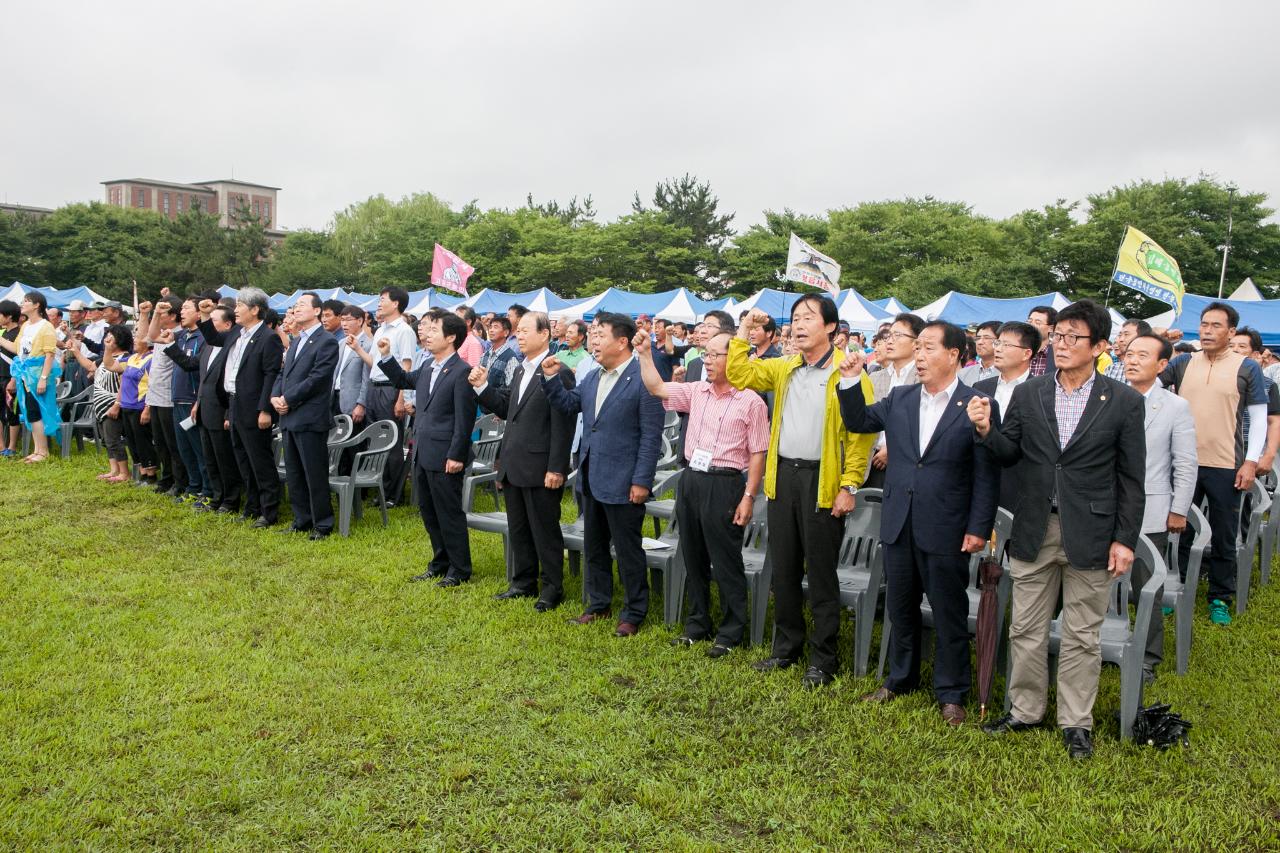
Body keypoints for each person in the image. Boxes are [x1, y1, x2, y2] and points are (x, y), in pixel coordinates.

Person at [969, 299, 1145, 760]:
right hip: (1034, 526)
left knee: (1082, 634)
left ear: (1101, 347)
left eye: (1074, 338)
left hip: (1091, 530)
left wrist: (1124, 539)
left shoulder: (1124, 401)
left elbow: (1131, 478)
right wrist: (988, 430)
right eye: (1059, 336)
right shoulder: (1031, 393)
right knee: (1024, 627)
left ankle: (1076, 722)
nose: (1063, 344)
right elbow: (1010, 453)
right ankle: (1025, 710)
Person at [837, 321, 999, 724]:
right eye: (919, 348)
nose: (920, 356)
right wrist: (851, 380)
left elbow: (986, 474)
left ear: (954, 355)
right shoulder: (902, 397)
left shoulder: (975, 403)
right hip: (898, 521)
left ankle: (951, 692)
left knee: (948, 611)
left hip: (946, 524)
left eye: (929, 348)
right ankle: (899, 677)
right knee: (900, 606)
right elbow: (858, 420)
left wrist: (978, 527)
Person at [727, 298, 874, 689]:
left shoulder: (848, 369)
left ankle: (823, 660)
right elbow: (738, 372)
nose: (800, 325)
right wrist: (745, 330)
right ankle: (785, 649)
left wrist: (849, 484)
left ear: (831, 327)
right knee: (785, 568)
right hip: (783, 477)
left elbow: (861, 437)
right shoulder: (785, 366)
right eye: (795, 319)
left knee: (822, 574)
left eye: (809, 318)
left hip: (822, 481)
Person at [636, 329, 768, 657]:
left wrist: (749, 496)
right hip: (692, 478)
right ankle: (698, 622)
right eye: (705, 354)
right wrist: (645, 354)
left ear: (735, 357)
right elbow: (656, 387)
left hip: (725, 484)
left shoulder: (750, 400)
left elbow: (758, 453)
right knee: (692, 556)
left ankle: (731, 629)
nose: (707, 361)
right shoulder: (697, 391)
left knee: (725, 560)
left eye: (714, 355)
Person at [542, 311, 664, 636]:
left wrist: (641, 481)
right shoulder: (595, 376)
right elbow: (570, 406)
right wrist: (553, 379)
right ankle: (599, 604)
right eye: (592, 334)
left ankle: (634, 612)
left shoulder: (643, 378)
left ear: (622, 341)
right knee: (594, 546)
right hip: (591, 476)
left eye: (601, 335)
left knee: (627, 550)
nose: (594, 341)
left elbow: (651, 436)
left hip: (625, 481)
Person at [1158, 302, 1267, 625]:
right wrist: (1158, 339)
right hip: (1181, 461)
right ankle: (1170, 589)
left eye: (1215, 325)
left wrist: (1250, 462)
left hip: (1225, 464)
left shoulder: (1247, 368)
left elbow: (1259, 419)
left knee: (1223, 533)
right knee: (1178, 530)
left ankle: (1219, 596)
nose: (1207, 330)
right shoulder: (1182, 362)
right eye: (1204, 324)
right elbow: (1147, 385)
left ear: (1231, 331)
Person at [471, 311, 577, 610]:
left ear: (545, 334)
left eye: (526, 330)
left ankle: (552, 587)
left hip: (541, 465)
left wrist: (556, 467)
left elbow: (563, 422)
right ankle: (523, 582)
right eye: (518, 330)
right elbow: (508, 410)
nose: (519, 334)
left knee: (544, 530)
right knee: (519, 527)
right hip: (514, 462)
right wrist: (482, 388)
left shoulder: (557, 370)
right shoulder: (521, 369)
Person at [377, 308, 475, 586]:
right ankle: (439, 562)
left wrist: (456, 454)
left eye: (434, 330)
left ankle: (459, 569)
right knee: (429, 511)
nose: (426, 334)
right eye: (426, 329)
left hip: (445, 455)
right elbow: (402, 380)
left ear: (452, 336)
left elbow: (464, 419)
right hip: (423, 450)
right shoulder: (428, 367)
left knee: (449, 512)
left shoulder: (461, 372)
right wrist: (386, 356)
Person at [1124, 332, 1196, 683]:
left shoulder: (1174, 406)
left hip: (1150, 508)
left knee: (1144, 583)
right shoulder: (1110, 395)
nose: (1132, 360)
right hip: (1103, 505)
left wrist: (1179, 508)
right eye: (1129, 353)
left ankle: (1148, 655)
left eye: (1142, 355)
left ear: (1162, 365)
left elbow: (1185, 462)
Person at [268, 293, 339, 539]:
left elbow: (317, 379)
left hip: (309, 417)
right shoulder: (296, 341)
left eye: (301, 306)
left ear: (317, 311)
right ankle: (302, 519)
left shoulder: (326, 341)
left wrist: (289, 399)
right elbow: (282, 373)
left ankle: (323, 523)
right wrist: (275, 396)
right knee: (295, 472)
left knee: (313, 472)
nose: (296, 310)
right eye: (295, 306)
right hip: (287, 416)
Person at [219, 287, 285, 528]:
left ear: (255, 309)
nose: (235, 310)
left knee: (260, 460)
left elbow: (271, 376)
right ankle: (252, 506)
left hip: (255, 406)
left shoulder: (268, 338)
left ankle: (269, 512)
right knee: (243, 460)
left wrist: (265, 409)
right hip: (235, 402)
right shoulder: (239, 334)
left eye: (240, 306)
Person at [972, 321, 1039, 512]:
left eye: (1006, 345)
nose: (998, 349)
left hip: (1016, 486)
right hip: (979, 479)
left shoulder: (1039, 392)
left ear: (1027, 353)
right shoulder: (980, 388)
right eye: (998, 343)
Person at [362, 287, 416, 507]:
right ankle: (381, 489)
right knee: (377, 441)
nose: (378, 303)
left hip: (391, 390)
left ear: (395, 304)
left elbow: (407, 366)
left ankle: (394, 494)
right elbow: (374, 363)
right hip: (375, 388)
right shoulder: (380, 330)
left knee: (392, 442)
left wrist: (401, 398)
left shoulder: (404, 331)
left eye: (382, 299)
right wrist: (357, 349)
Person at [191, 301, 243, 514]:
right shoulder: (208, 346)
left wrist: (228, 412)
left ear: (228, 325)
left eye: (214, 321)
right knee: (210, 458)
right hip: (204, 409)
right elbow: (198, 374)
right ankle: (216, 496)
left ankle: (230, 501)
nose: (209, 325)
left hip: (221, 410)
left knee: (224, 460)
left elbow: (231, 383)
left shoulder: (231, 346)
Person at [157, 297, 210, 504]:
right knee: (184, 449)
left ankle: (206, 490)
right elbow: (151, 336)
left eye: (187, 308)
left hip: (192, 401)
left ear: (199, 314)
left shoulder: (203, 337)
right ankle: (193, 486)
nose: (182, 312)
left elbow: (192, 365)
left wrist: (171, 345)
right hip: (177, 400)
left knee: (199, 449)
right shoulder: (182, 335)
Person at [65, 323, 131, 481]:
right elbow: (89, 365)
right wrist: (75, 351)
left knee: (114, 440)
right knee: (106, 440)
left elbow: (123, 385)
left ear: (119, 340)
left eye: (111, 336)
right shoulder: (105, 359)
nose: (106, 339)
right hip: (100, 406)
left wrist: (117, 405)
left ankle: (124, 473)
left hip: (112, 405)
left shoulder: (125, 359)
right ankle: (114, 469)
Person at [0, 292, 61, 463]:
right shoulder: (26, 325)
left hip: (38, 375)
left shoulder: (46, 326)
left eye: (26, 301)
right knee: (30, 411)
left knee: (38, 410)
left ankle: (44, 452)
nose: (22, 304)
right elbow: (16, 348)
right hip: (26, 376)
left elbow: (50, 354)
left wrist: (43, 377)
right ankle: (37, 450)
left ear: (37, 305)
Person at [865, 313, 923, 488]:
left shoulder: (922, 379)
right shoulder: (874, 377)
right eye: (889, 335)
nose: (890, 341)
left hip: (905, 465)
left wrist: (892, 448)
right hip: (869, 461)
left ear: (916, 343)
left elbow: (920, 424)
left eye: (898, 336)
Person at [116, 331, 158, 484]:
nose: (134, 340)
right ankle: (142, 474)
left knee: (143, 441)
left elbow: (153, 385)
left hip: (140, 406)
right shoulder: (132, 357)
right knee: (132, 442)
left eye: (138, 338)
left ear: (147, 342)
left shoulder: (151, 358)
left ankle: (151, 475)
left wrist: (147, 409)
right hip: (126, 405)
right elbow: (110, 365)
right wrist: (108, 348)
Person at [334, 305, 372, 421]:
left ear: (360, 321)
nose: (344, 324)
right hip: (335, 398)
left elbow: (367, 378)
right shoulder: (341, 343)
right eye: (342, 320)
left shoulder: (368, 345)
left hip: (353, 403)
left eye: (348, 320)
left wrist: (361, 404)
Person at [0, 300, 22, 456]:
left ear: (8, 316)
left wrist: (14, 379)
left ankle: (12, 447)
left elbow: (21, 358)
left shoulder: (20, 334)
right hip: (0, 376)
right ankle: (1, 447)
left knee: (12, 412)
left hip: (11, 378)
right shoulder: (3, 333)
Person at [481, 315, 520, 389]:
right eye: (490, 327)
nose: (491, 330)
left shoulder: (511, 359)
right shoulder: (484, 355)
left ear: (506, 333)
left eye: (495, 327)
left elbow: (511, 389)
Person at [958, 320, 1000, 385]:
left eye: (986, 338)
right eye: (978, 338)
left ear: (999, 341)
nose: (980, 342)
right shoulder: (963, 373)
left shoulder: (1007, 373)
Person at [1026, 305, 1057, 377]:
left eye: (1037, 323)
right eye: (1029, 321)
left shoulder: (1057, 354)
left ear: (1051, 328)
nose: (1031, 326)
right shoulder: (1020, 350)